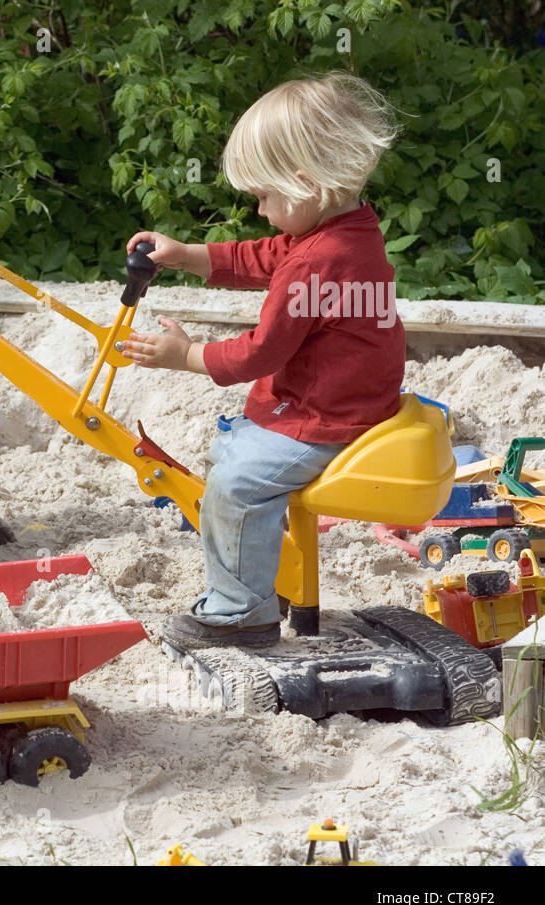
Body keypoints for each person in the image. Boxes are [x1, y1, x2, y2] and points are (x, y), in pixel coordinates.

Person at [120, 72, 403, 648]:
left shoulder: (315, 262)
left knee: (238, 484)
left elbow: (260, 352)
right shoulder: (347, 229)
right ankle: (257, 578)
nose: (258, 210)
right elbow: (265, 254)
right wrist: (189, 255)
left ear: (303, 185)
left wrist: (185, 354)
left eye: (263, 197)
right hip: (342, 399)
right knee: (231, 450)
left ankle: (240, 615)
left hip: (327, 418)